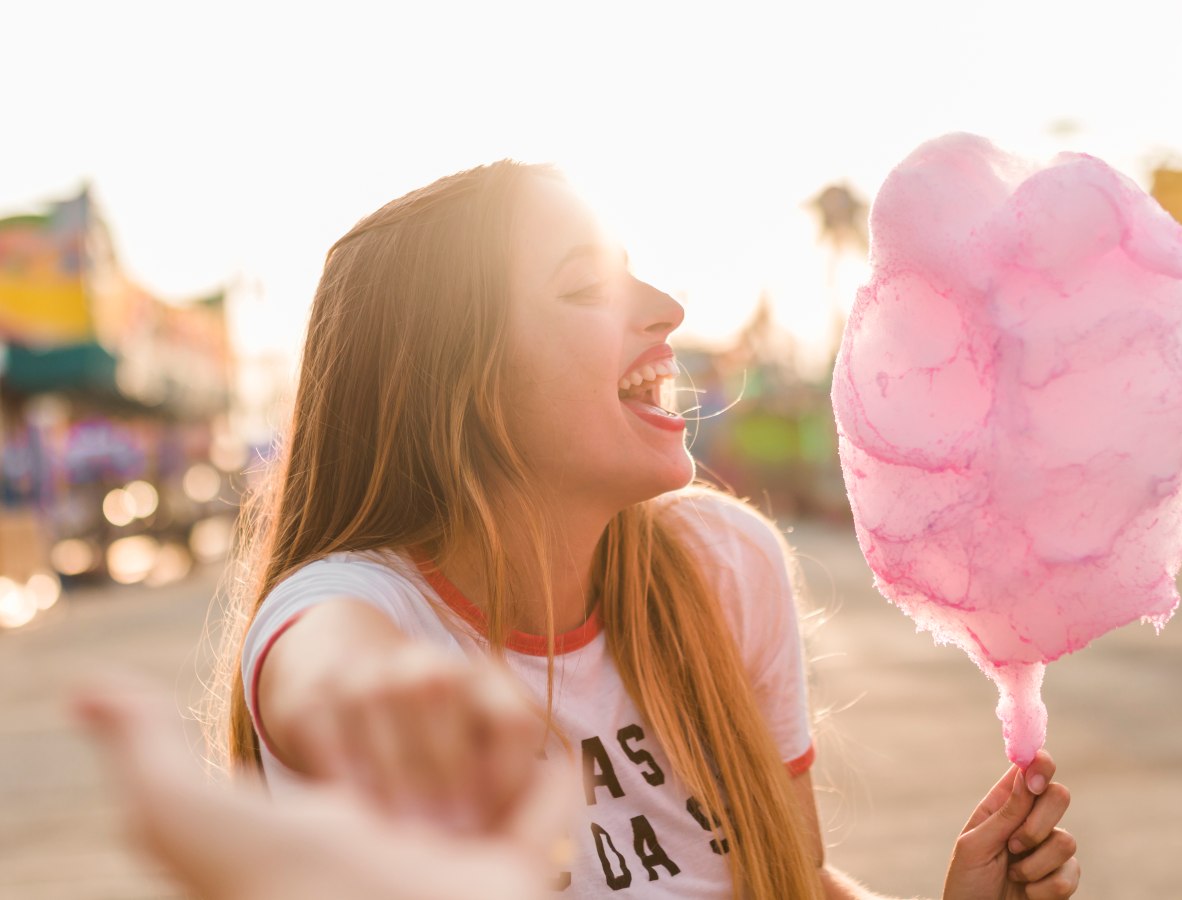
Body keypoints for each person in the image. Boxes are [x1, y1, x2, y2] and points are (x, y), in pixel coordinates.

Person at [190, 160, 1079, 899]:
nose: (666, 306)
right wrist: (385, 721)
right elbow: (320, 674)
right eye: (585, 287)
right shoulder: (359, 607)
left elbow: (793, 879)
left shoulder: (725, 565)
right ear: (452, 383)